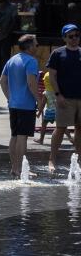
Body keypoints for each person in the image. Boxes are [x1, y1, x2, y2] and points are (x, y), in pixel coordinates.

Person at [0, 33, 44, 178]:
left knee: (14, 136)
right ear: (30, 46)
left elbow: (2, 81)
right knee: (22, 137)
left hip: (14, 104)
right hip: (26, 105)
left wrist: (10, 97)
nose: (38, 47)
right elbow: (31, 83)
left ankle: (14, 168)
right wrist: (38, 99)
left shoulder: (12, 60)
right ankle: (21, 170)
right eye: (36, 45)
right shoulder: (31, 61)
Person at [47, 24, 81, 168]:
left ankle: (78, 159)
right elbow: (52, 76)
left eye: (77, 35)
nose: (74, 39)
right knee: (60, 128)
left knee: (80, 128)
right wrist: (57, 95)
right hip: (65, 98)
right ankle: (52, 159)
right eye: (71, 36)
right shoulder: (57, 53)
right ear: (64, 38)